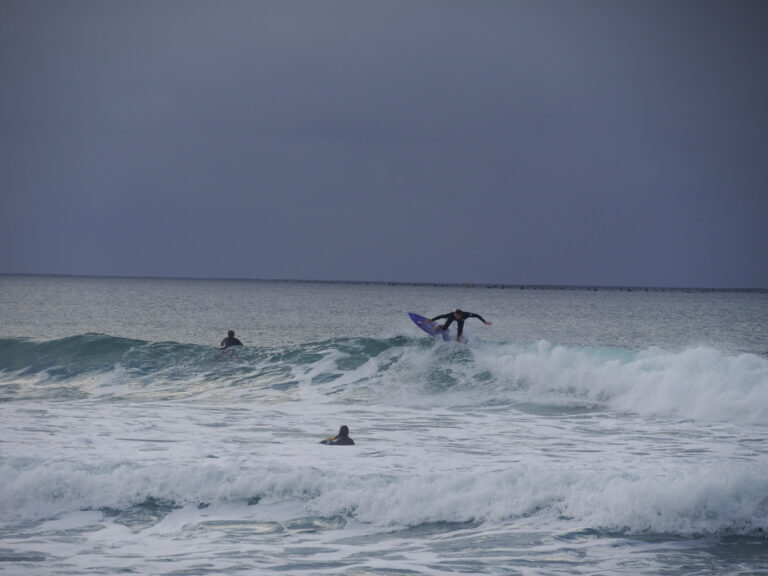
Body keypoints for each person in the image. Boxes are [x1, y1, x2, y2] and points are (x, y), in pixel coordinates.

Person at [428, 309, 492, 341]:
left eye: (457, 316)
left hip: (461, 321)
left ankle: (458, 339)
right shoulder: (452, 315)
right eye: (455, 315)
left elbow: (477, 315)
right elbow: (441, 316)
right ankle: (439, 325)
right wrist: (432, 319)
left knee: (459, 335)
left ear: (461, 315)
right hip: (451, 318)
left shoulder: (466, 314)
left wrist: (484, 322)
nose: (456, 317)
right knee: (445, 328)